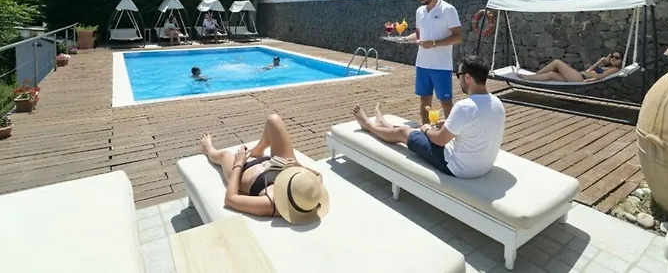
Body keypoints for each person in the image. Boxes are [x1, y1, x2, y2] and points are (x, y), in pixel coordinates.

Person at [352, 56, 506, 178]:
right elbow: (478, 125)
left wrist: (425, 129)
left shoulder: (464, 107)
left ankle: (369, 126)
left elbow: (440, 140)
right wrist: (448, 124)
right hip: (483, 167)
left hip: (458, 168)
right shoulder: (497, 103)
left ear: (467, 77)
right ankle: (383, 123)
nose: (457, 79)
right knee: (414, 132)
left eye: (458, 75)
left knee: (405, 132)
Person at [198, 114, 329, 224]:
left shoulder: (271, 204)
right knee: (274, 120)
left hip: (245, 170)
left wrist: (239, 163)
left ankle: (207, 149)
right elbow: (319, 175)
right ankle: (257, 150)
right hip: (283, 167)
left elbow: (230, 199)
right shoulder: (310, 191)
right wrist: (298, 165)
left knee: (224, 155)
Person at [403, 0, 462, 125]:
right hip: (422, 64)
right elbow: (419, 34)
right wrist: (405, 39)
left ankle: (451, 134)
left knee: (446, 102)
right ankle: (425, 130)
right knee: (424, 100)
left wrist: (434, 43)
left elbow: (457, 37)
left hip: (441, 66)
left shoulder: (448, 9)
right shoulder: (420, 11)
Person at [518, 52, 623, 82]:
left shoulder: (614, 69)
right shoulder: (606, 66)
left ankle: (533, 75)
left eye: (617, 57)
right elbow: (588, 70)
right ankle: (530, 78)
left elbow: (601, 77)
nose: (613, 58)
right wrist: (600, 62)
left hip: (581, 78)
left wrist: (590, 78)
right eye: (612, 56)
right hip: (581, 75)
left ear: (621, 60)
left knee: (557, 62)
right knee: (551, 74)